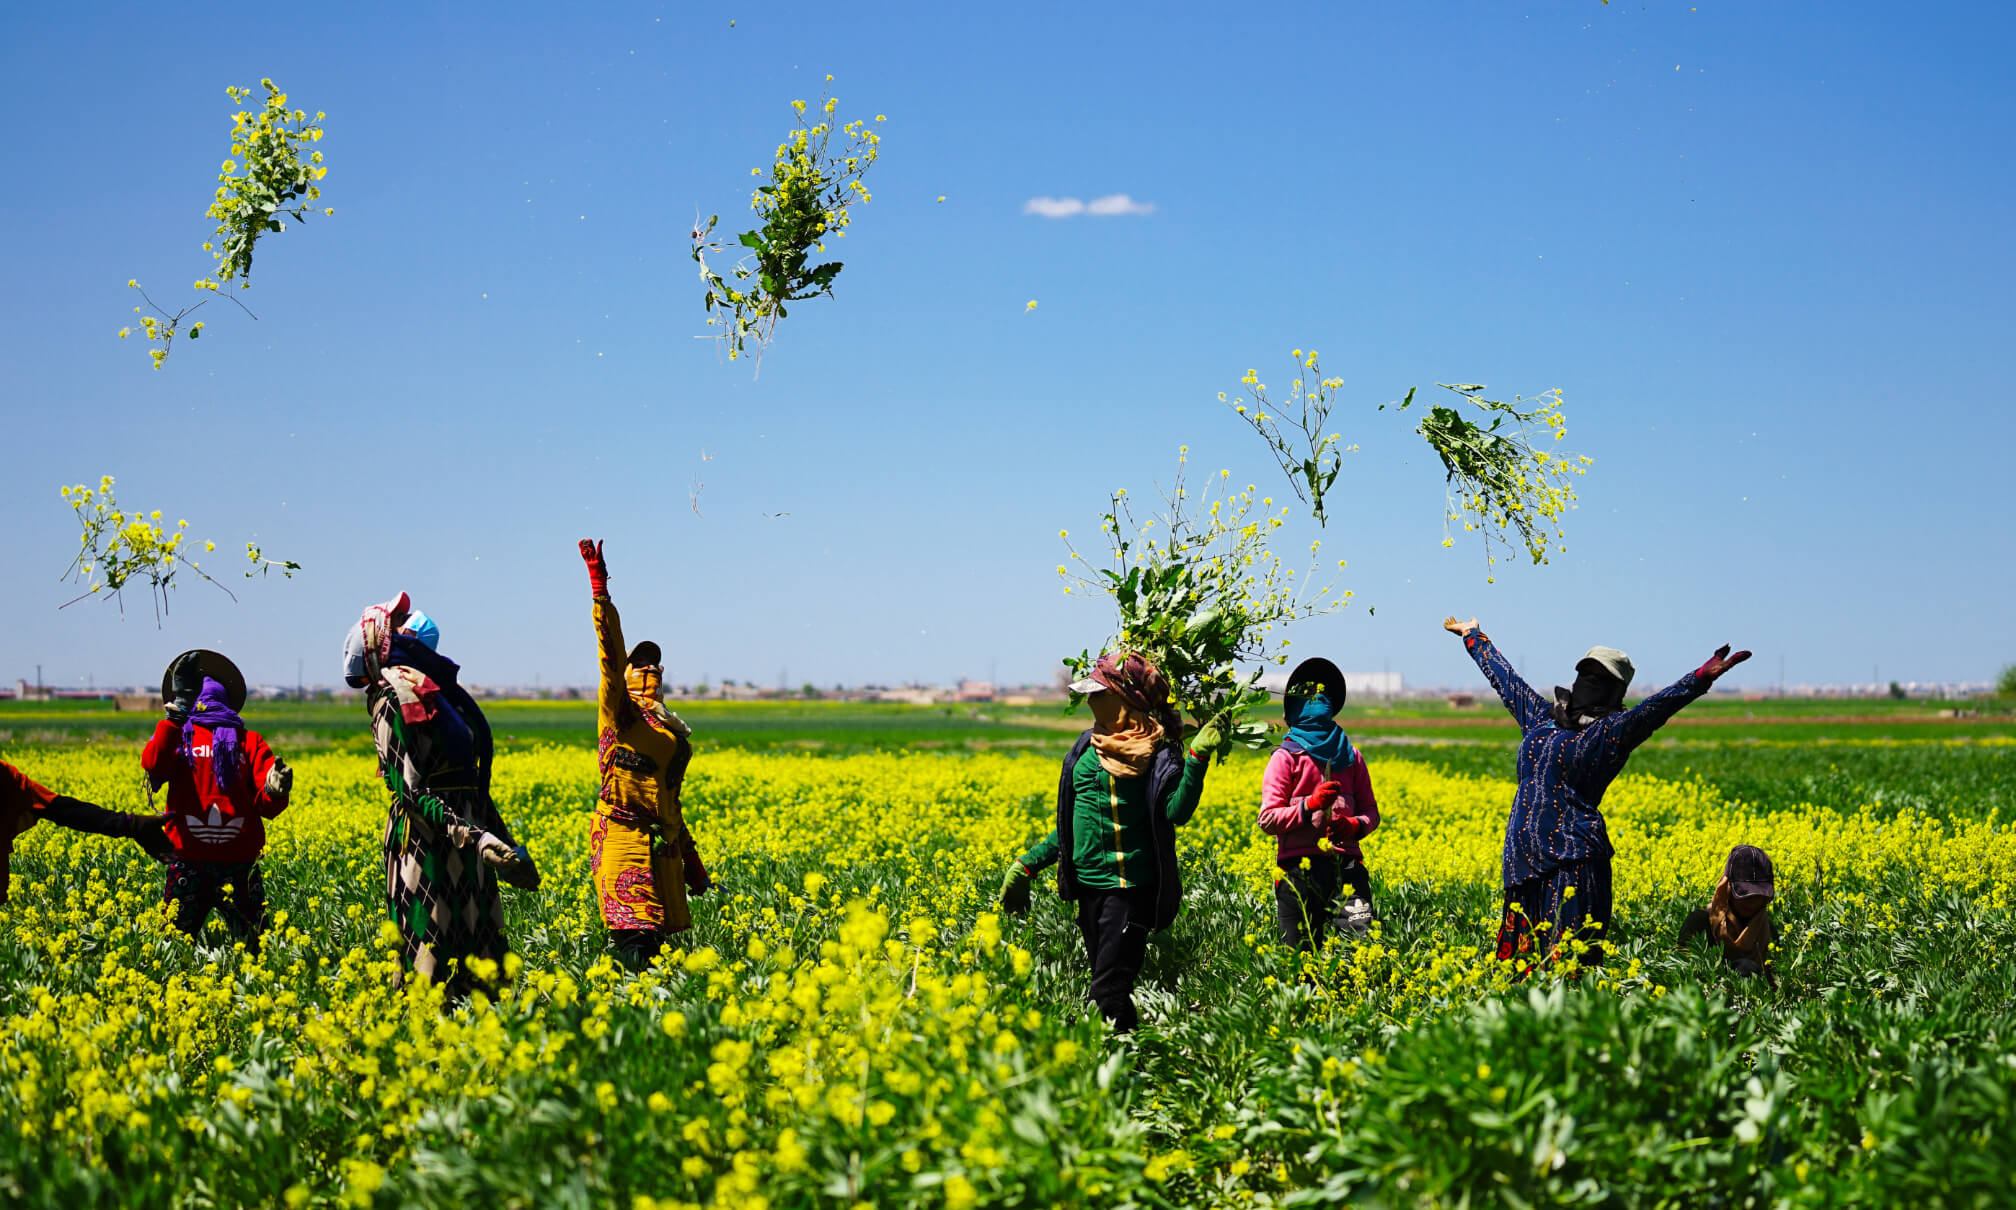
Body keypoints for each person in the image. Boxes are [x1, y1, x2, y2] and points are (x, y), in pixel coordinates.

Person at [1443, 615, 1750, 971]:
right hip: (1523, 866)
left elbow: (1654, 710)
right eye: (1586, 672)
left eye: (1600, 678)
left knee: (1567, 972)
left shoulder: (1609, 734)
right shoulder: (1542, 718)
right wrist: (1472, 636)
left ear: (1615, 692)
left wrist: (1698, 680)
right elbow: (1506, 680)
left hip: (1572, 865)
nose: (1589, 682)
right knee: (1519, 975)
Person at [998, 652, 1224, 1031]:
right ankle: (1131, 1064)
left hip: (1131, 890)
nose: (1089, 700)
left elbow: (1175, 813)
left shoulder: (1159, 752)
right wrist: (1028, 864)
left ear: (1124, 699)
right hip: (1088, 889)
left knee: (1107, 992)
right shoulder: (1085, 750)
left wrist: (1198, 758)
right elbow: (1071, 825)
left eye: (1098, 693)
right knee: (1112, 989)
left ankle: (1116, 1072)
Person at [342, 592, 539, 993]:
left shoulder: (443, 695)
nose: (409, 626)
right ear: (379, 640)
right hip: (426, 844)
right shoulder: (390, 699)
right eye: (398, 624)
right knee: (430, 958)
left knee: (481, 965)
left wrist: (504, 840)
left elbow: (473, 782)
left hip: (470, 847)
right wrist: (477, 835)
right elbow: (410, 791)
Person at [578, 540, 712, 971]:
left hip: (660, 845)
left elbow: (669, 798)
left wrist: (691, 861)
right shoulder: (621, 712)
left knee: (659, 946)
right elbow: (610, 653)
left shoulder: (669, 726)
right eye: (641, 665)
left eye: (656, 666)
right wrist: (600, 589)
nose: (651, 669)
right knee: (634, 937)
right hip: (620, 836)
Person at [141, 650, 292, 953]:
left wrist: (275, 789)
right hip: (217, 861)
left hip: (201, 861)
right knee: (257, 947)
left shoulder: (244, 742)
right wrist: (174, 719)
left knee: (175, 950)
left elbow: (267, 804)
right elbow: (154, 765)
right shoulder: (182, 735)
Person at [1258, 657, 1380, 949]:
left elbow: (1371, 813)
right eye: (1311, 700)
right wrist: (1309, 805)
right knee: (1300, 956)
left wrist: (1353, 826)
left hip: (1347, 868)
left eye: (1323, 698)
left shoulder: (1350, 756)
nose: (1319, 705)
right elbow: (1268, 819)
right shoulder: (1285, 758)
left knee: (1358, 951)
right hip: (1298, 872)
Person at [2, 760, 168, 906]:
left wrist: (131, 825)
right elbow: (59, 808)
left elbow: (60, 808)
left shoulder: (6, 778)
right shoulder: (6, 776)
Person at [1680, 844, 1776, 978]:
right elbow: (1683, 973)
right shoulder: (1700, 922)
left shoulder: (1768, 930)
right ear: (1727, 887)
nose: (1751, 900)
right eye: (1744, 893)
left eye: (1758, 894)